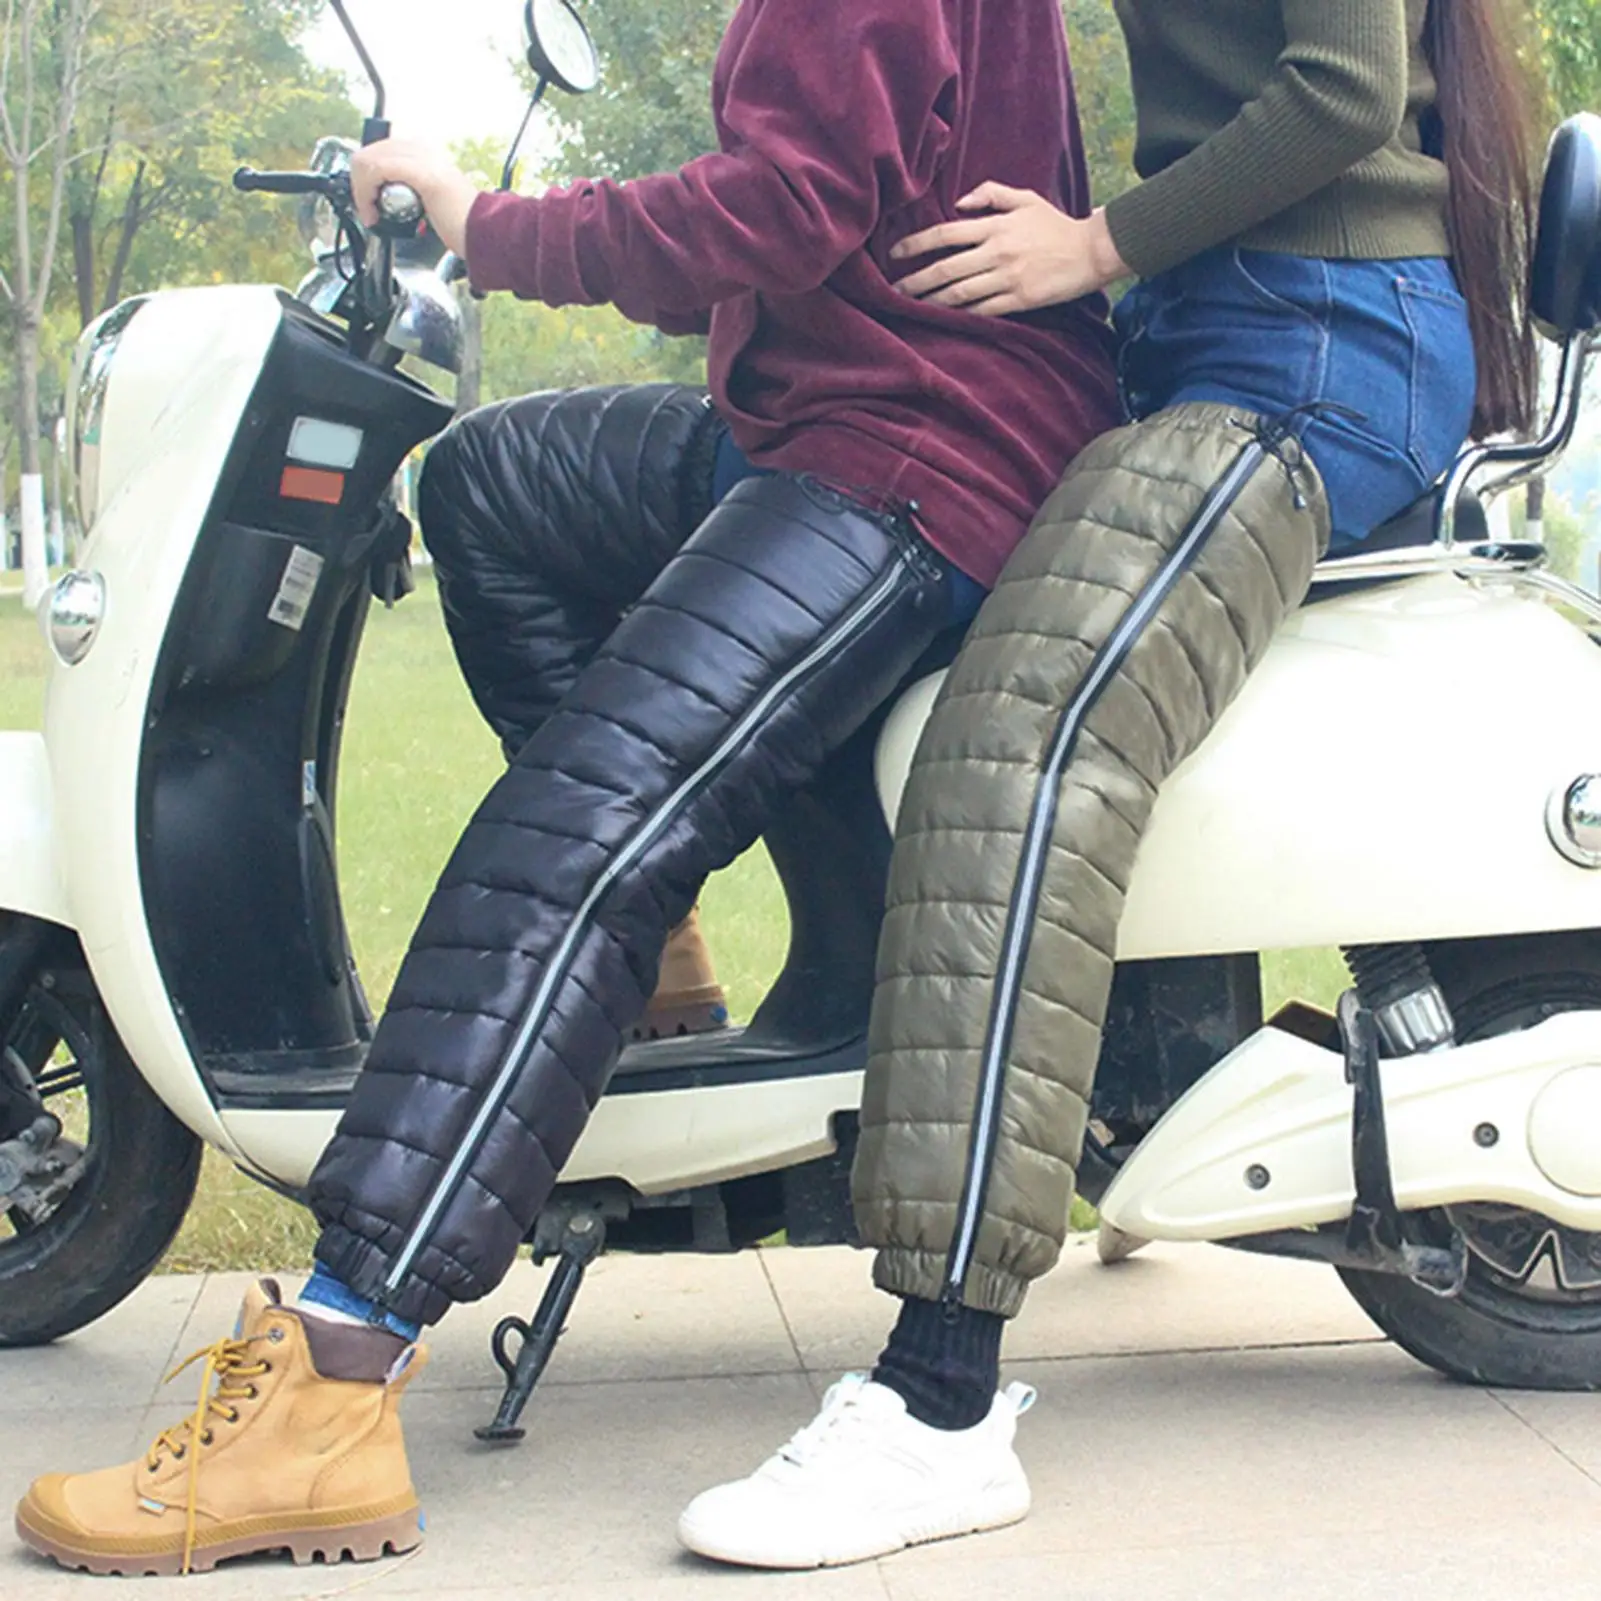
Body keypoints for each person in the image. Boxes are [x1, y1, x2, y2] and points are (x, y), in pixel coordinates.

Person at [12, 0, 1120, 1578]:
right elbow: (823, 199)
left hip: (913, 456)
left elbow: (780, 206)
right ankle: (650, 971)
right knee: (490, 483)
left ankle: (333, 1382)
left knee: (573, 840)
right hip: (824, 419)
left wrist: (489, 224)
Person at [677, 0, 1541, 1570]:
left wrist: (1094, 246)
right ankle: (1122, 1104)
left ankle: (938, 1403)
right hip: (1202, 320)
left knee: (1020, 735)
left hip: (1315, 336)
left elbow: (1345, 88)